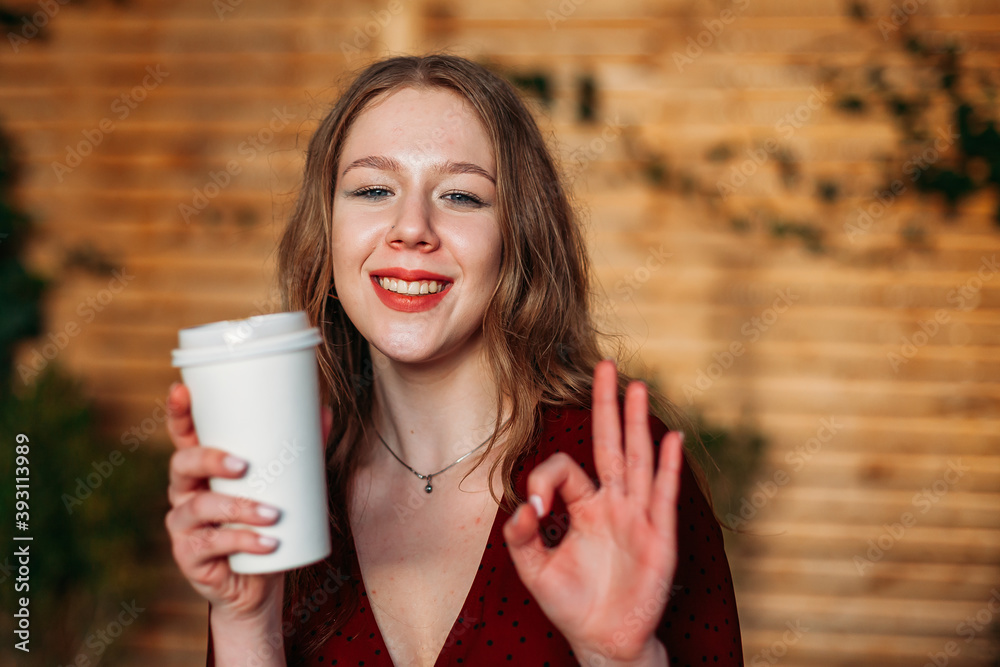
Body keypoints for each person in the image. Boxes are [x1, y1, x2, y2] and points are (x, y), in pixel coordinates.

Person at [165, 53, 742, 666]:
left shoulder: (615, 474)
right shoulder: (280, 496)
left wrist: (621, 657)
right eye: (373, 189)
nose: (411, 227)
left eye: (462, 196)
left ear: (517, 237)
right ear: (326, 231)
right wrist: (245, 621)